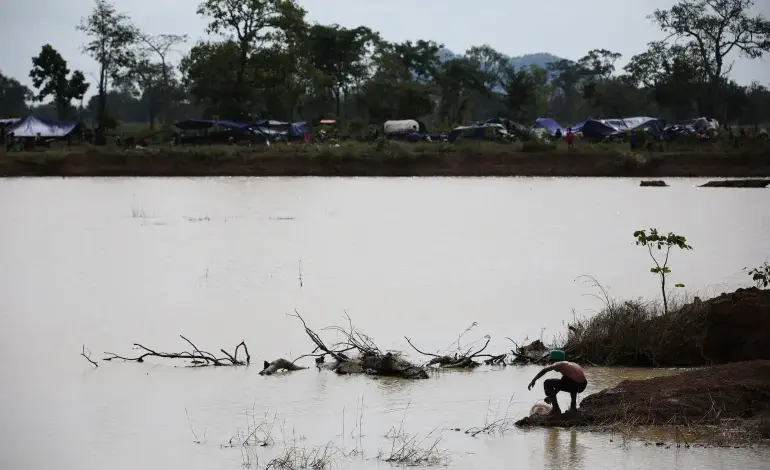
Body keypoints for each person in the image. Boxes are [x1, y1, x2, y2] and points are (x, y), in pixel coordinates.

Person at [527, 350, 587, 415]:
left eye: (551, 361)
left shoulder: (558, 364)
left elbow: (544, 370)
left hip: (575, 384)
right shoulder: (569, 365)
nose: (551, 363)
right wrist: (552, 395)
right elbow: (564, 382)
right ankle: (573, 408)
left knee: (547, 382)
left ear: (555, 360)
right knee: (567, 380)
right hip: (581, 386)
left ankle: (556, 409)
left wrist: (533, 380)